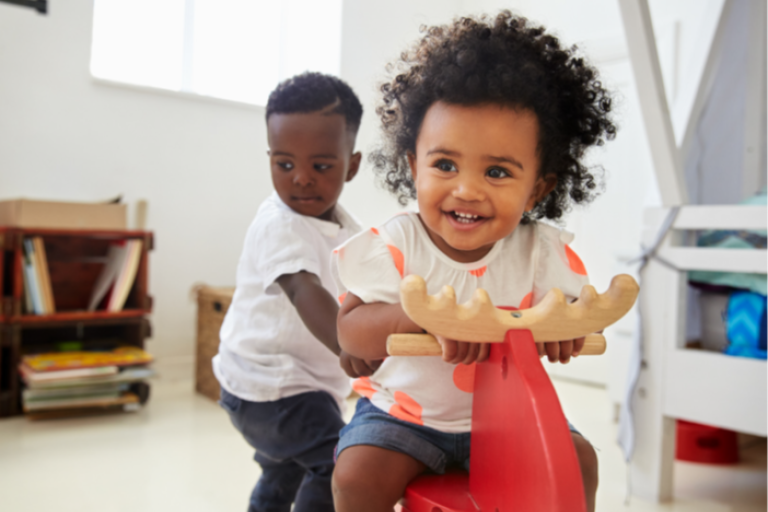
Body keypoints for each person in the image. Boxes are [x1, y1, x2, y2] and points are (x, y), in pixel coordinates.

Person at [330, 12, 616, 512]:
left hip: (509, 418)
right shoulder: (397, 244)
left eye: (498, 171)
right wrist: (415, 315)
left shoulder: (539, 251)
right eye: (445, 164)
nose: (467, 189)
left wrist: (566, 325)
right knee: (356, 476)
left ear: (539, 188)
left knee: (579, 460)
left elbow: (567, 306)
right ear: (412, 165)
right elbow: (350, 331)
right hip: (405, 419)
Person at [213, 72, 376, 512]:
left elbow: (373, 281)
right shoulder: (279, 226)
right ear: (269, 157)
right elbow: (305, 291)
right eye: (284, 164)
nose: (301, 179)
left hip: (297, 384)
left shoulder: (347, 227)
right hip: (268, 386)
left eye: (321, 166)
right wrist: (351, 346)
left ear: (353, 165)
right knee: (338, 464)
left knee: (284, 468)